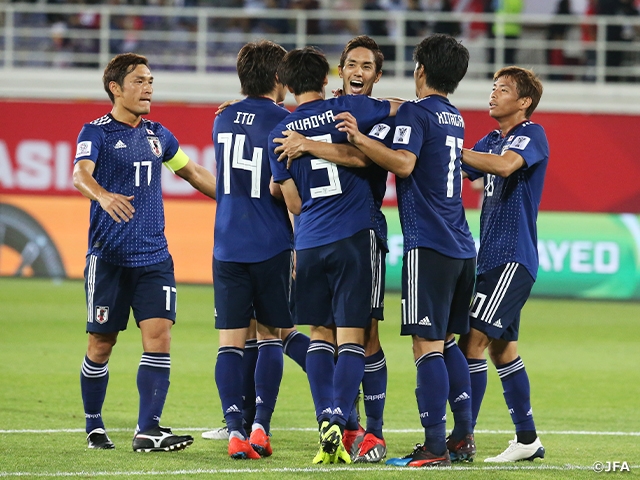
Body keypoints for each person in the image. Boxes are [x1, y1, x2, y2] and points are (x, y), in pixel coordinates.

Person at [334, 34, 476, 468]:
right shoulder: (454, 117)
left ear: (420, 71)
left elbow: (403, 163)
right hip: (461, 245)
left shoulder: (416, 113)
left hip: (428, 244)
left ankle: (434, 447)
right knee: (448, 342)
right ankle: (461, 438)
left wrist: (357, 137)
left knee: (425, 345)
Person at [73, 52, 217, 452]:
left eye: (150, 80)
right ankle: (94, 424)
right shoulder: (96, 132)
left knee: (159, 338)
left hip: (154, 258)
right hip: (109, 258)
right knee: (101, 344)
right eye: (139, 81)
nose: (148, 87)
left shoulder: (158, 135)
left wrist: (235, 200)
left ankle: (148, 429)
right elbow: (79, 173)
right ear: (115, 88)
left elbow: (191, 172)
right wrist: (101, 196)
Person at [268, 46, 399, 465]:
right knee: (354, 336)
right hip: (354, 235)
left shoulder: (280, 133)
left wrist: (301, 150)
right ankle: (346, 420)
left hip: (308, 242)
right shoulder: (350, 109)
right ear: (329, 77)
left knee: (319, 333)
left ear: (286, 86)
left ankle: (325, 415)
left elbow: (292, 203)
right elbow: (380, 136)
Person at [457, 66, 548, 462]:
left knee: (470, 345)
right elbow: (462, 168)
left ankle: (461, 438)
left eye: (504, 89)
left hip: (512, 259)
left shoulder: (532, 134)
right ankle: (527, 439)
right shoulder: (491, 138)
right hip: (492, 259)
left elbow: (507, 165)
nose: (493, 94)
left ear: (524, 102)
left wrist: (449, 147)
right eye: (493, 87)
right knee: (501, 350)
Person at [211, 40, 297, 460]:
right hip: (270, 243)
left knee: (229, 343)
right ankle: (261, 425)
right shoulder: (286, 123)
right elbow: (284, 189)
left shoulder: (221, 119)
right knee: (270, 340)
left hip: (227, 243)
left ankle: (233, 429)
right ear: (279, 78)